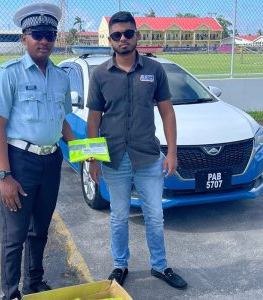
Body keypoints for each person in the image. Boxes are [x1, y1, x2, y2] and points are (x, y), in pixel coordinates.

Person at [86, 11, 187, 290]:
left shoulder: (154, 71)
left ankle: (160, 266)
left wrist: (173, 153)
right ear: (110, 40)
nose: (122, 39)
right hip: (114, 158)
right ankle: (120, 265)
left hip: (147, 157)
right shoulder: (100, 75)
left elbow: (167, 113)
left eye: (128, 33)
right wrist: (92, 160)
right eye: (116, 35)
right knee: (118, 216)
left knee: (154, 214)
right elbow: (93, 120)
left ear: (137, 36)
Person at [0, 3, 75, 299]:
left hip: (51, 161)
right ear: (24, 37)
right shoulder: (9, 73)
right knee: (15, 235)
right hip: (20, 161)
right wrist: (4, 176)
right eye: (37, 33)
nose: (44, 40)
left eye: (50, 34)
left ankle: (34, 283)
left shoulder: (62, 77)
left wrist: (81, 151)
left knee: (41, 229)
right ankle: (11, 293)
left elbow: (62, 121)